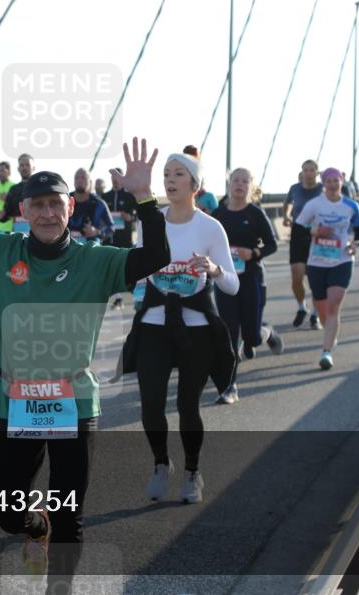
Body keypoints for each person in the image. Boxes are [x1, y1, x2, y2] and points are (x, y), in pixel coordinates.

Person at [0, 127, 170, 587]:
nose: (48, 213)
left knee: (70, 513)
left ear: (70, 207)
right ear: (23, 211)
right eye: (38, 206)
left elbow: (156, 255)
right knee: (7, 513)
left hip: (75, 401)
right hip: (15, 400)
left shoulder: (97, 260)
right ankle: (36, 527)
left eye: (56, 204)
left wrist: (144, 198)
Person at [132, 153, 238, 498]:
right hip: (154, 322)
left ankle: (193, 472)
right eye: (166, 174)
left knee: (187, 406)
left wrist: (214, 269)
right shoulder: (151, 222)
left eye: (179, 173)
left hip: (196, 327)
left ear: (195, 184)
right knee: (151, 403)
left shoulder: (210, 228)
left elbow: (232, 285)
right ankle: (161, 464)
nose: (170, 180)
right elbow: (137, 267)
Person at [212, 167, 282, 404]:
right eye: (235, 180)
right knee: (229, 333)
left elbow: (272, 244)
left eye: (244, 181)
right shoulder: (218, 214)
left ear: (251, 187)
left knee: (252, 337)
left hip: (251, 278)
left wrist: (253, 253)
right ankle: (230, 386)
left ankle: (267, 332)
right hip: (224, 280)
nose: (239, 184)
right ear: (229, 184)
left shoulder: (255, 214)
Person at [295, 167, 359, 370]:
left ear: (342, 182)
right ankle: (330, 334)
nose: (333, 184)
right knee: (321, 306)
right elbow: (298, 228)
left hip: (342, 260)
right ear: (323, 184)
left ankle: (326, 352)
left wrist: (355, 243)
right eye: (329, 181)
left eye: (336, 180)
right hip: (317, 261)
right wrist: (315, 230)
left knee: (334, 304)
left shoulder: (350, 205)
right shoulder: (314, 205)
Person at [282, 160, 323, 329]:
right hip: (298, 233)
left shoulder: (323, 189)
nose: (308, 173)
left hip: (318, 235)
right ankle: (302, 308)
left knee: (316, 279)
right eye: (305, 170)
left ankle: (315, 315)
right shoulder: (295, 188)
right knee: (297, 277)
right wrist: (286, 216)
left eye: (312, 170)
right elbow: (287, 203)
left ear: (317, 173)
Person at [102, 169, 140, 309]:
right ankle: (114, 299)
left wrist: (130, 217)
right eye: (113, 177)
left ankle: (126, 297)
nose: (115, 180)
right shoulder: (105, 196)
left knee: (125, 270)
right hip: (108, 240)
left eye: (117, 177)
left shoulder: (129, 196)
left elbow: (139, 214)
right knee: (110, 269)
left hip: (125, 240)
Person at [68, 167, 115, 243]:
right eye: (76, 178)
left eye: (83, 178)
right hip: (68, 247)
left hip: (90, 247)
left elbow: (111, 228)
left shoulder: (99, 204)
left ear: (90, 182)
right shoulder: (65, 201)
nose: (79, 180)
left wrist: (96, 232)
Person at [0, 153, 36, 234]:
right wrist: (1, 217)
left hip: (37, 231)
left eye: (28, 165)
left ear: (33, 168)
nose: (24, 167)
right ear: (18, 168)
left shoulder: (40, 187)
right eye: (22, 165)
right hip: (18, 232)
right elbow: (7, 213)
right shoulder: (13, 189)